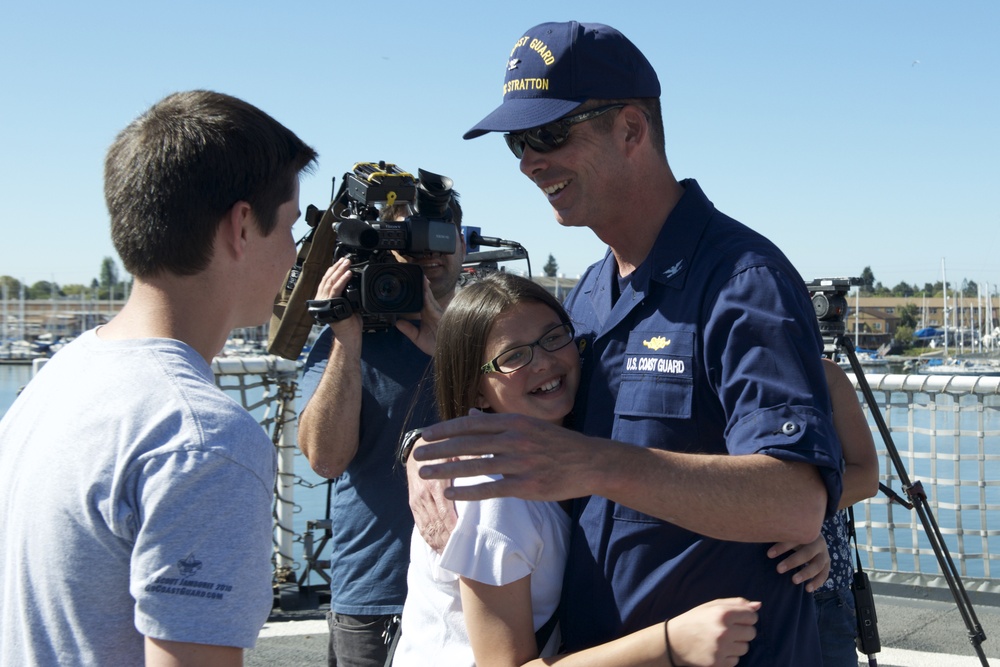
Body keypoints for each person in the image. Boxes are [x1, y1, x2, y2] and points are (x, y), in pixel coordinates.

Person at [408, 21, 844, 665]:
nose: (530, 161)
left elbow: (794, 500)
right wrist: (426, 452)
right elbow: (527, 413)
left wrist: (593, 463)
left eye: (549, 135)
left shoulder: (743, 283)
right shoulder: (586, 296)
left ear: (632, 129)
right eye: (518, 145)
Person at [0, 90, 317, 666]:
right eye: (291, 227)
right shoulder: (202, 440)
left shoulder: (58, 376)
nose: (296, 254)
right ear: (241, 227)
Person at [394, 271, 763, 666]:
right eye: (514, 356)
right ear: (475, 393)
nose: (544, 362)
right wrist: (671, 644)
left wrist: (779, 528)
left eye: (553, 337)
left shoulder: (575, 450)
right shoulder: (494, 493)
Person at [297, 191, 466, 667]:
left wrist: (450, 344)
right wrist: (346, 339)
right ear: (386, 249)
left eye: (439, 238)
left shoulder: (495, 332)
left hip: (481, 584)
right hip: (377, 593)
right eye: (411, 244)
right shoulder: (350, 340)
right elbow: (326, 459)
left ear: (463, 245)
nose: (429, 254)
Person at [779, 358, 878, 666]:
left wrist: (801, 511)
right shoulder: (716, 368)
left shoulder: (826, 375)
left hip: (827, 591)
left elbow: (866, 477)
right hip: (748, 589)